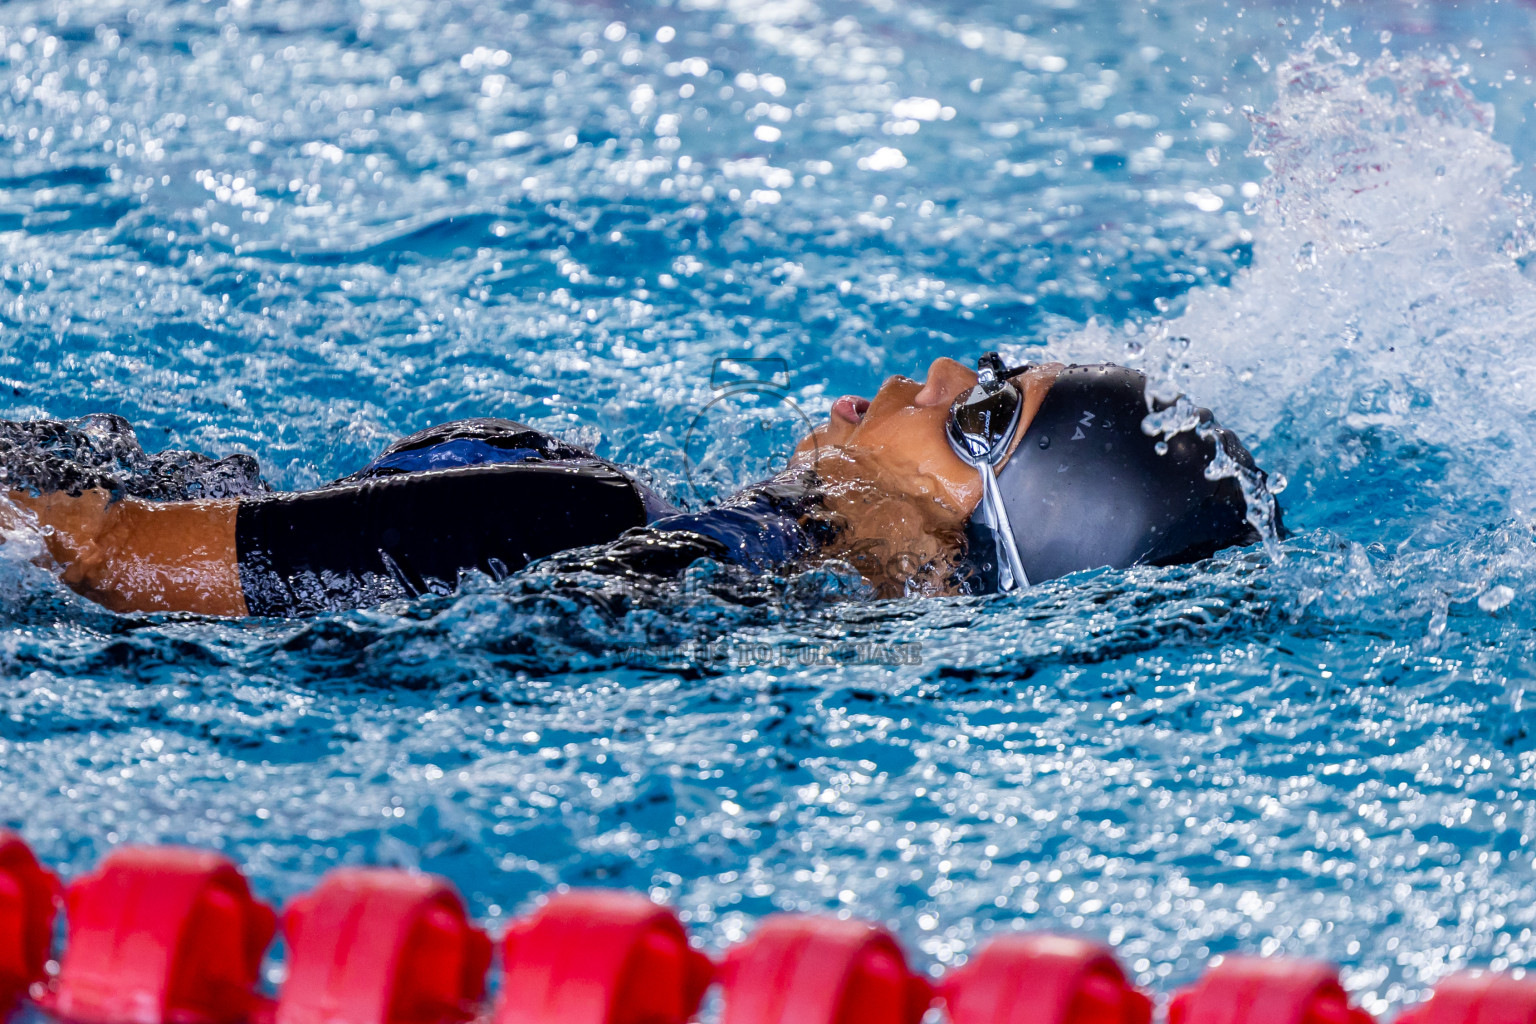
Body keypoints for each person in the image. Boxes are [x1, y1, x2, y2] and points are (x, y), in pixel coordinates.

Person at [0, 355, 1280, 617]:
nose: (940, 370)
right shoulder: (655, 558)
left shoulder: (580, 529)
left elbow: (98, 555)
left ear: (971, 524)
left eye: (985, 411)